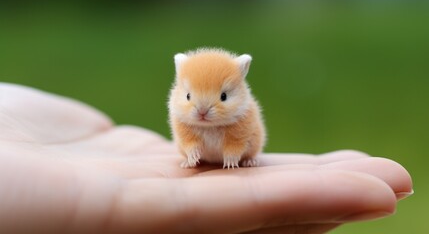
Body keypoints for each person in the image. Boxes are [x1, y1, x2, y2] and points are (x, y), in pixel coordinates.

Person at [0, 83, 413, 233]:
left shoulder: (242, 115)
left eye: (219, 98)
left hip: (240, 150)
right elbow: (185, 131)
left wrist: (236, 153)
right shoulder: (186, 115)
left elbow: (245, 134)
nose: (202, 111)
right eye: (189, 98)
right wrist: (192, 150)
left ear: (238, 86)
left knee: (244, 139)